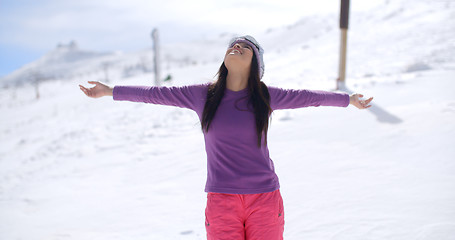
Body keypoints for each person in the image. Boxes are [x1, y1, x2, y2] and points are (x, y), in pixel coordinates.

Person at [79, 35, 373, 240]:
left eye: (245, 46)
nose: (237, 46)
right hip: (221, 201)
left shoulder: (264, 95)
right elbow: (155, 95)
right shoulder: (203, 96)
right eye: (234, 44)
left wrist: (348, 100)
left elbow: (309, 97)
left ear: (255, 64)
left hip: (265, 199)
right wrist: (110, 91)